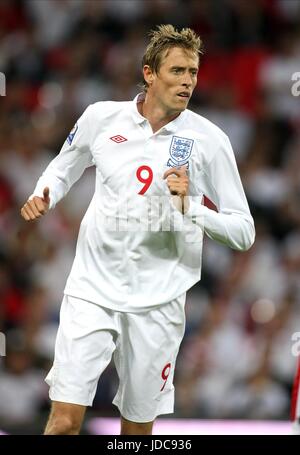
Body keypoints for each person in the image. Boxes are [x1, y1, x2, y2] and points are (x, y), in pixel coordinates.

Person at [20, 24, 255, 435]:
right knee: (63, 421)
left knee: (136, 433)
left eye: (193, 73)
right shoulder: (101, 118)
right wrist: (47, 193)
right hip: (92, 289)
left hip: (159, 300)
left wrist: (192, 207)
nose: (188, 82)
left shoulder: (210, 140)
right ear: (149, 73)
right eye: (178, 71)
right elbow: (64, 166)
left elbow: (244, 232)